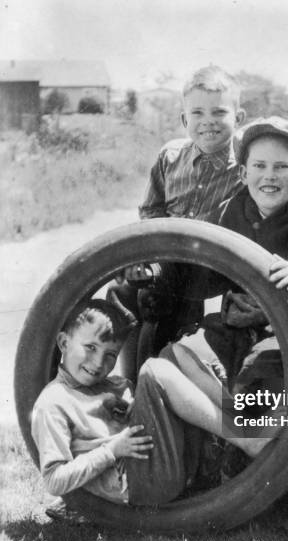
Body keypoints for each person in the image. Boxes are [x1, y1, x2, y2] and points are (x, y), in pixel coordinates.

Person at [165, 116, 288, 523]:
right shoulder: (228, 211)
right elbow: (200, 278)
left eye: (281, 167)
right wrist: (161, 269)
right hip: (241, 326)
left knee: (264, 370)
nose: (269, 176)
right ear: (243, 171)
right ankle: (205, 473)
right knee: (179, 358)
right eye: (259, 166)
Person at [31, 299, 269, 520]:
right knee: (153, 370)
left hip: (150, 460)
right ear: (63, 342)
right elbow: (54, 480)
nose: (98, 362)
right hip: (137, 481)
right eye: (90, 347)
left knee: (176, 353)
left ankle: (239, 422)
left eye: (110, 354)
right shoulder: (54, 402)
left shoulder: (112, 386)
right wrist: (110, 450)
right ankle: (246, 439)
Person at [109, 65, 246, 376]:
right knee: (127, 290)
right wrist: (150, 253)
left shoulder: (246, 166)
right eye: (197, 113)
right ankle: (121, 374)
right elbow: (151, 210)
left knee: (160, 300)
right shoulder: (170, 156)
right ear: (185, 120)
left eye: (219, 112)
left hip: (213, 265)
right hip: (167, 256)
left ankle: (154, 380)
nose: (207, 120)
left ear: (238, 119)